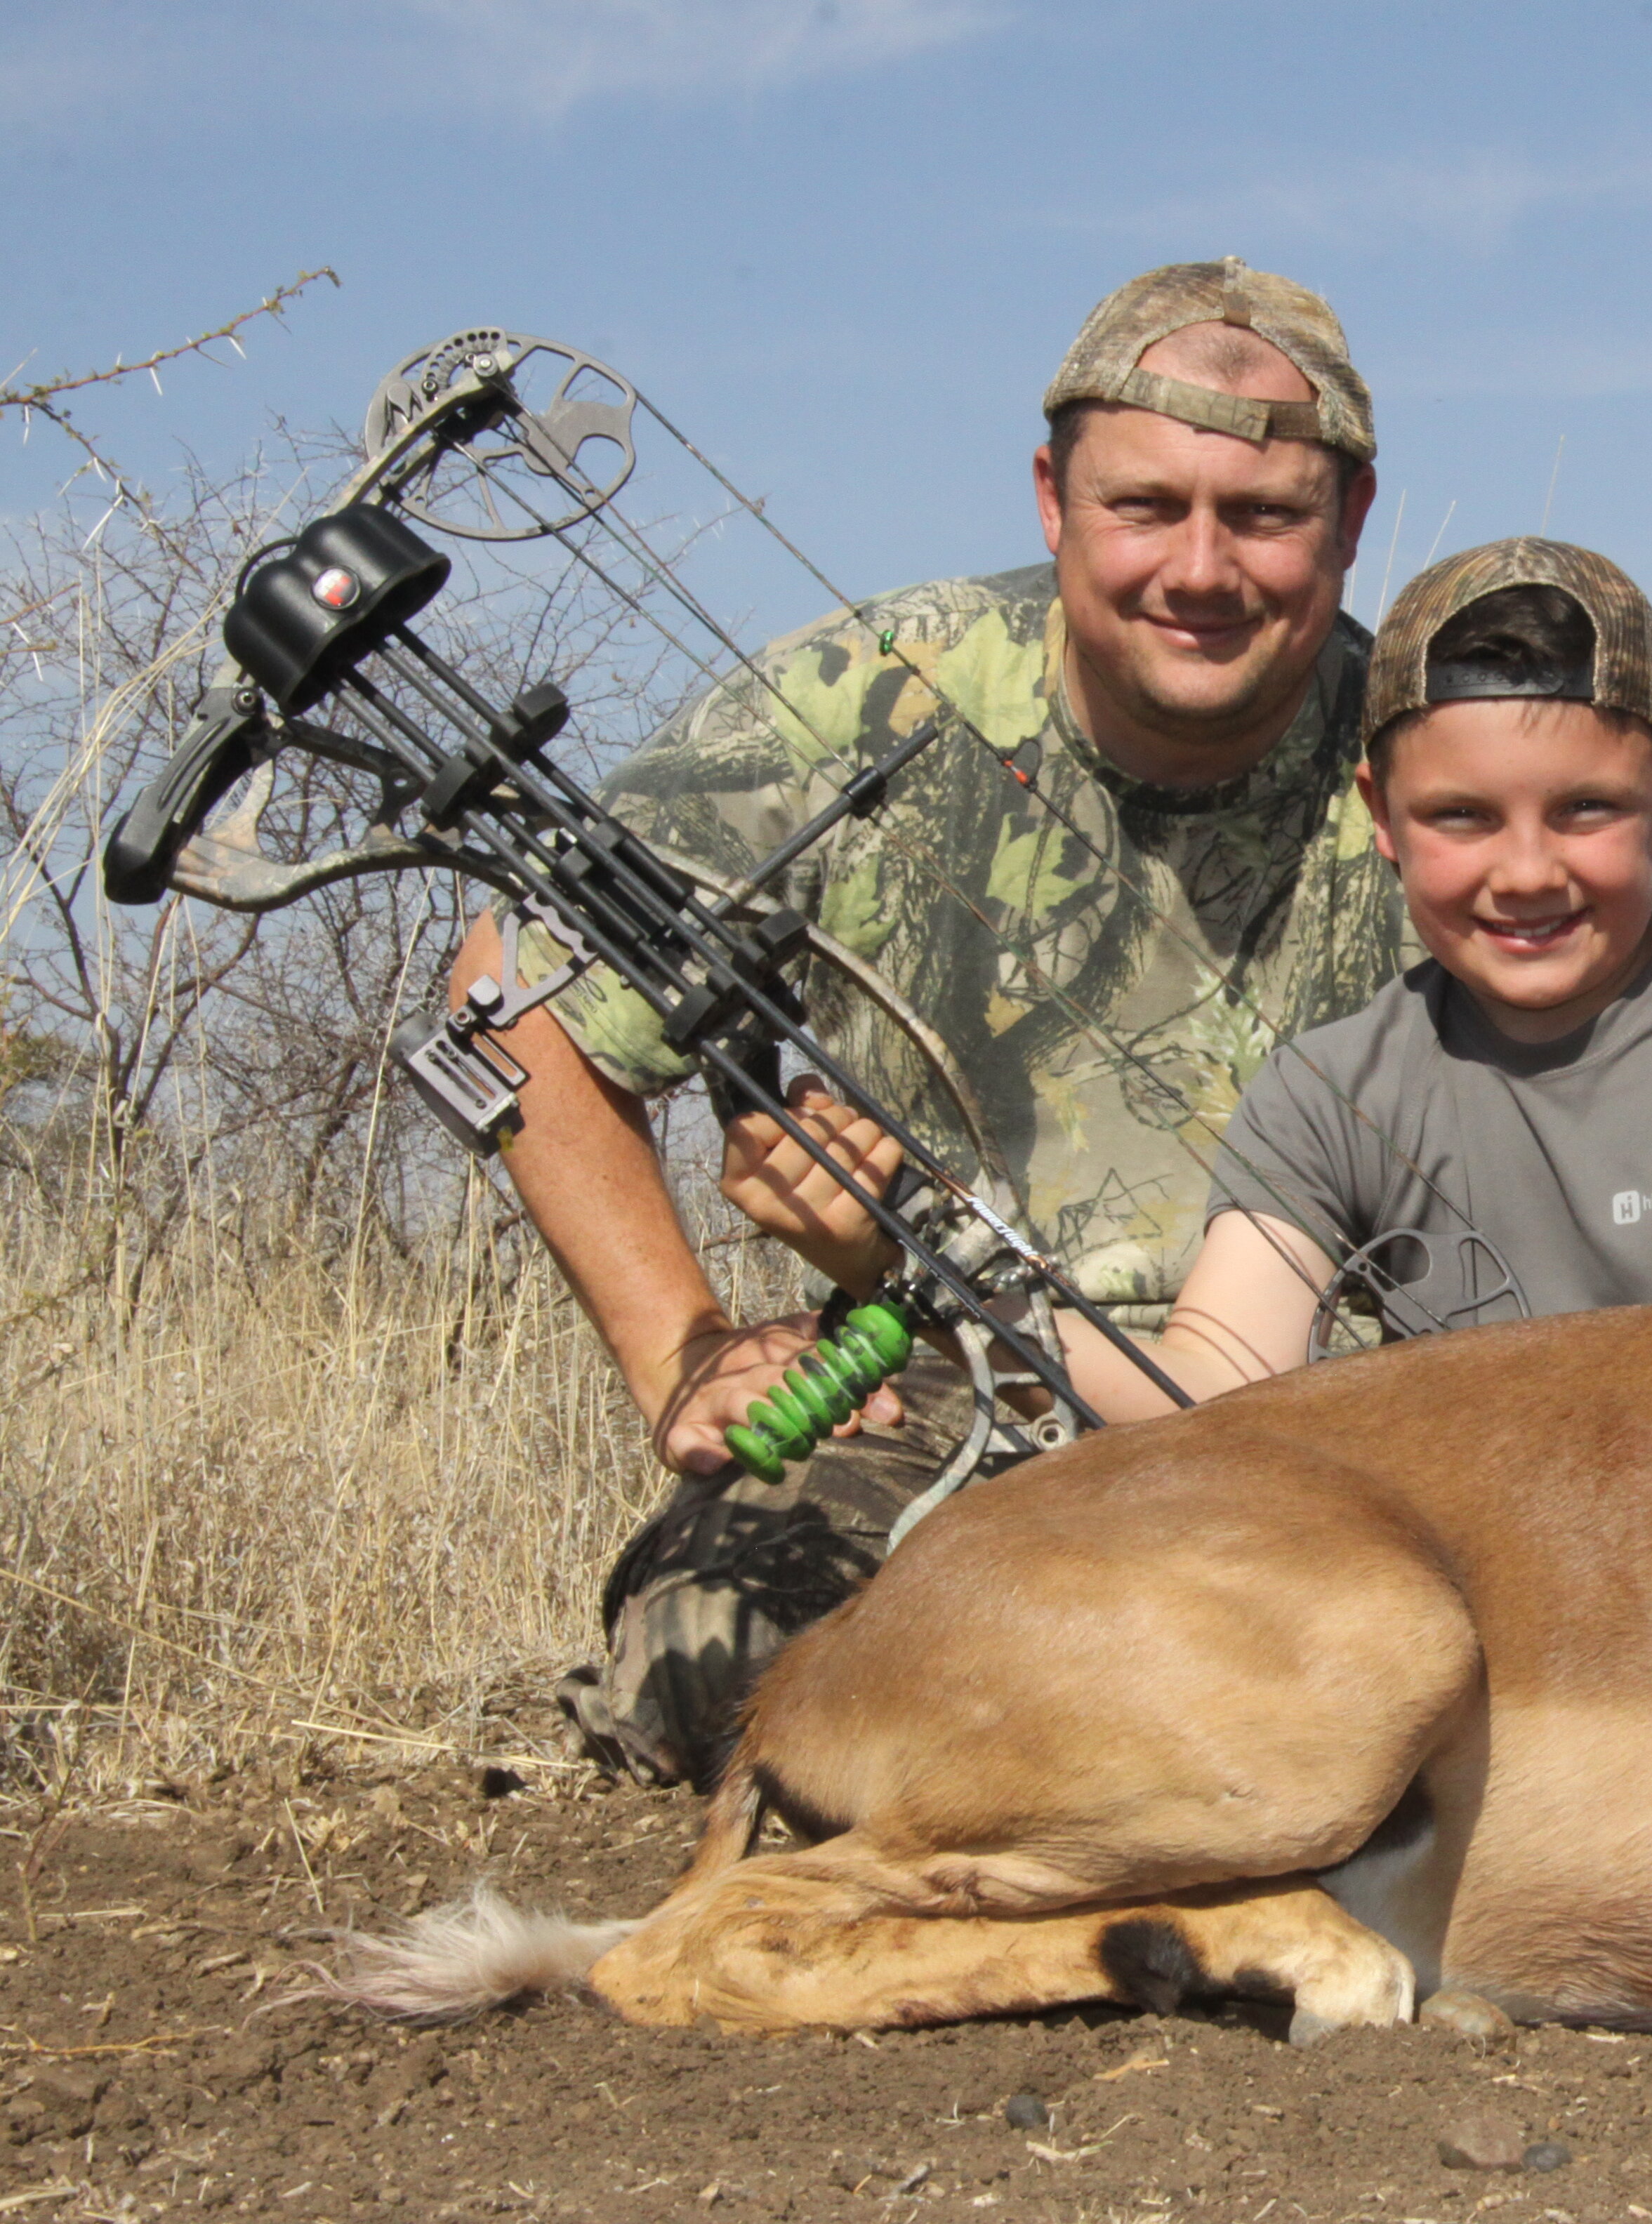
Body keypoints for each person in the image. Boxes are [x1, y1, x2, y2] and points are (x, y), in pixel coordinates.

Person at [458, 259, 1409, 1785]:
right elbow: (516, 996)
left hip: (1349, 1426)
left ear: (1353, 524)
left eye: (1268, 515)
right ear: (1053, 499)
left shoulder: (1430, 745)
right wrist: (684, 1351)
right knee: (717, 1653)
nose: (1203, 567)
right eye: (1146, 506)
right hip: (944, 1402)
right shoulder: (866, 694)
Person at [1091, 537, 1652, 1405]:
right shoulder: (1324, 1089)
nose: (1529, 874)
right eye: (1461, 817)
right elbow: (1211, 1389)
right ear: (1381, 818)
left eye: (1587, 809)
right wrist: (994, 1332)